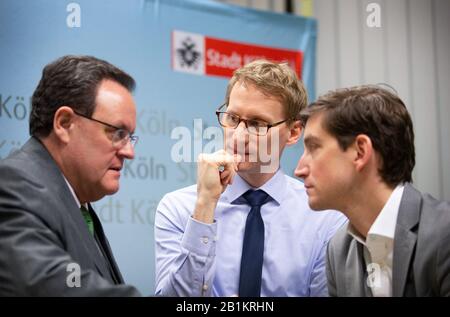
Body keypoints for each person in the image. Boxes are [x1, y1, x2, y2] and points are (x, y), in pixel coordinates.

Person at [154, 60, 347, 297]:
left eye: (257, 124)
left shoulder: (325, 219)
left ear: (294, 132)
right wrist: (204, 208)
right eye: (233, 119)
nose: (239, 135)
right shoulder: (180, 208)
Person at [0, 55, 141, 296]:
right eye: (117, 133)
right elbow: (53, 285)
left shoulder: (79, 206)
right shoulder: (12, 184)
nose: (130, 152)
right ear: (64, 123)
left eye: (130, 137)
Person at [295, 85, 450, 297]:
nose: (299, 170)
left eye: (314, 148)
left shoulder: (444, 235)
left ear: (360, 151)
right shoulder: (338, 251)